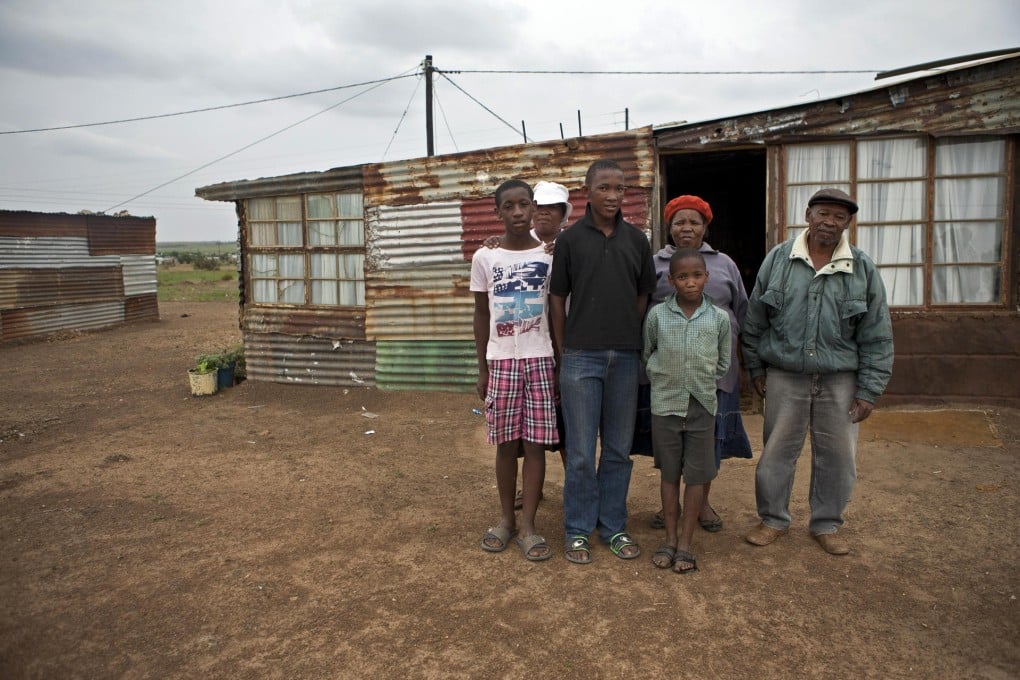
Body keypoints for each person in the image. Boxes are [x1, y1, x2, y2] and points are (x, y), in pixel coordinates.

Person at [742, 188, 894, 555]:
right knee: (777, 452)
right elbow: (755, 320)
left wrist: (869, 390)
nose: (830, 221)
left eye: (839, 217)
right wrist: (755, 367)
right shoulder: (779, 259)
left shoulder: (862, 267)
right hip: (785, 374)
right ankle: (773, 519)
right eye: (823, 213)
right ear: (808, 214)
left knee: (838, 455)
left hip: (840, 378)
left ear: (848, 223)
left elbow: (877, 333)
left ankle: (827, 524)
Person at [550, 159, 657, 564]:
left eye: (620, 188)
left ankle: (613, 526)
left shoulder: (636, 240)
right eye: (604, 188)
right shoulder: (571, 240)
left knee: (617, 449)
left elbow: (642, 294)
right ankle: (577, 529)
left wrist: (627, 330)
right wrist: (565, 352)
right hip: (580, 358)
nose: (613, 196)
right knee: (579, 450)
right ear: (587, 191)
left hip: (626, 358)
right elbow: (557, 298)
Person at [645, 195, 752, 532]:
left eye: (694, 221)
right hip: (670, 376)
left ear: (706, 226)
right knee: (672, 442)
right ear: (669, 227)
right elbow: (644, 316)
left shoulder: (725, 264)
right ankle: (671, 508)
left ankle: (702, 502)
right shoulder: (655, 264)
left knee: (710, 439)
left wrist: (746, 361)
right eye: (679, 221)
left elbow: (744, 311)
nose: (686, 227)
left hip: (715, 371)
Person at [471, 179, 558, 561]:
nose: (519, 212)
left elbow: (557, 310)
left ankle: (529, 526)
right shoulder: (484, 257)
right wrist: (482, 368)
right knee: (506, 444)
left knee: (536, 445)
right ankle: (506, 520)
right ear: (499, 212)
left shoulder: (551, 254)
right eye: (510, 206)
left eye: (525, 204)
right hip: (501, 360)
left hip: (541, 358)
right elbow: (480, 313)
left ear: (534, 208)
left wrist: (560, 359)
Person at [483, 181, 572, 510]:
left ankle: (572, 491)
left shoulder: (565, 248)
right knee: (517, 439)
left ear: (563, 214)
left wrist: (562, 359)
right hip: (518, 355)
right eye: (543, 207)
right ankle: (527, 496)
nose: (544, 214)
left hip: (553, 353)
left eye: (554, 209)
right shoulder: (504, 251)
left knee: (560, 434)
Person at [644, 248, 731, 574]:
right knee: (669, 474)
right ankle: (668, 537)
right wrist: (666, 378)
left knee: (695, 476)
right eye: (682, 276)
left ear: (706, 277)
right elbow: (648, 353)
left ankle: (685, 544)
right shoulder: (657, 316)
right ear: (671, 280)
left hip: (702, 405)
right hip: (665, 404)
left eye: (697, 275)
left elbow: (723, 362)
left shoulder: (719, 318)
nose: (690, 282)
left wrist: (698, 379)